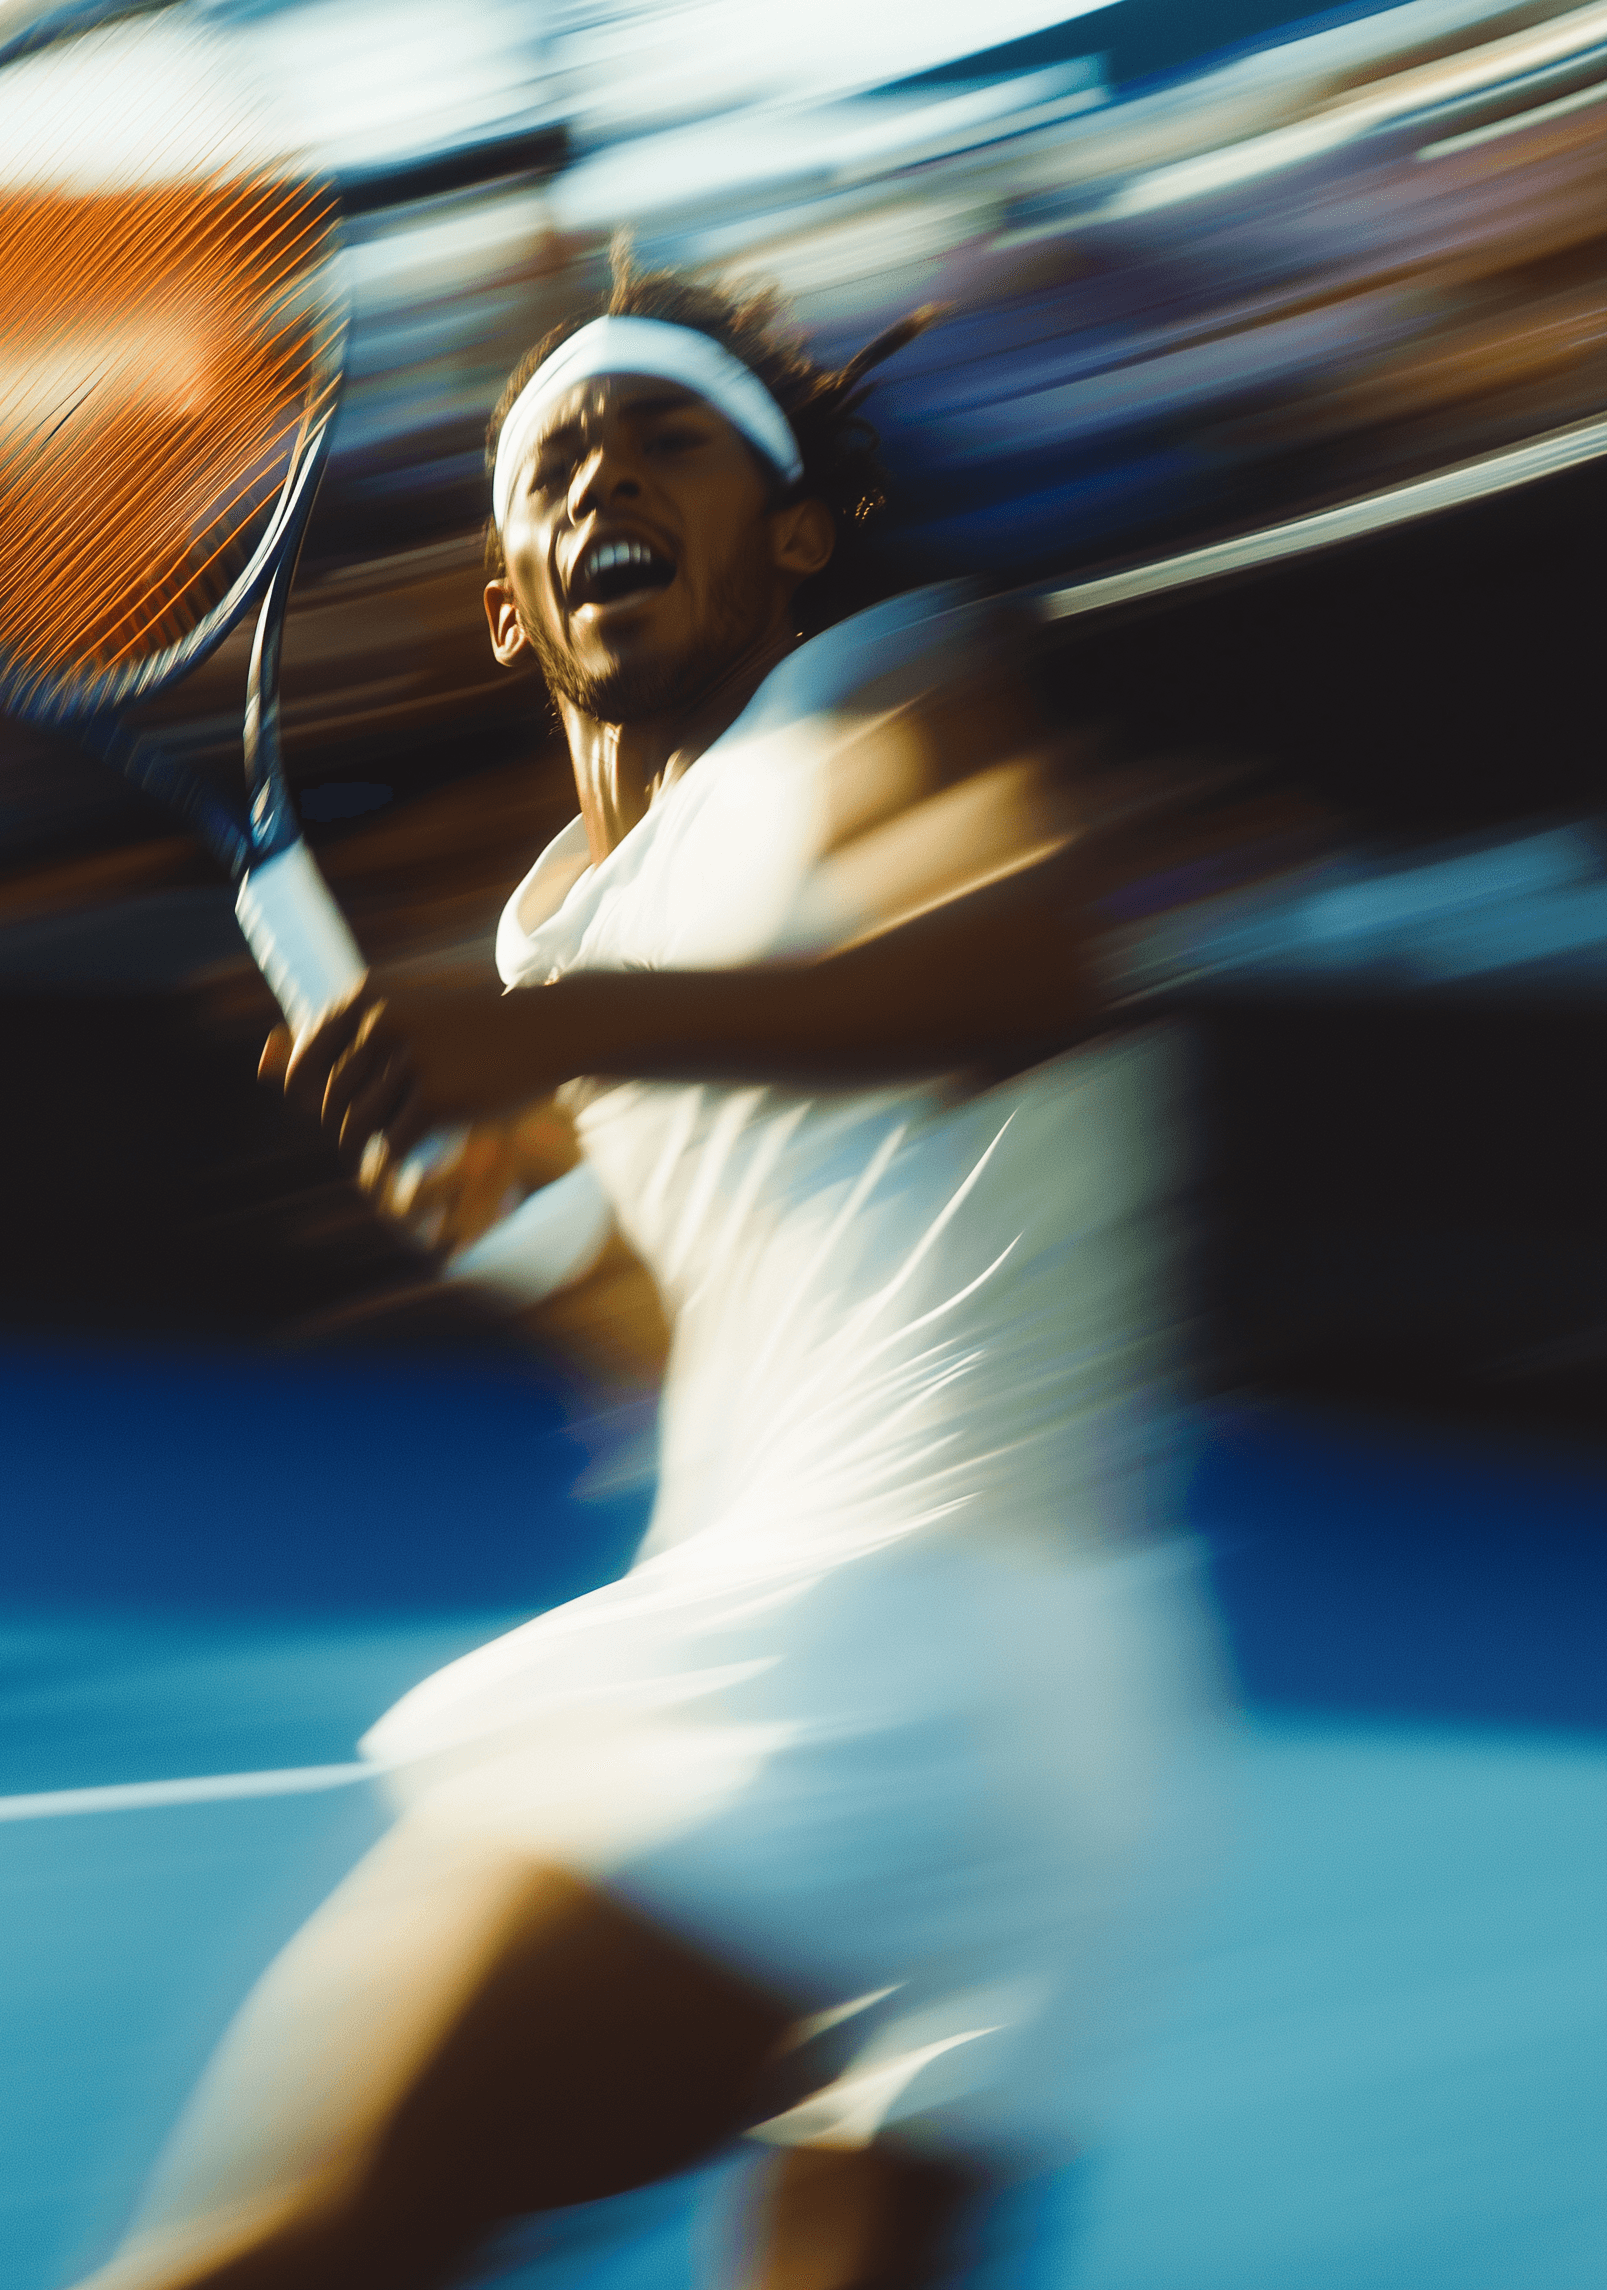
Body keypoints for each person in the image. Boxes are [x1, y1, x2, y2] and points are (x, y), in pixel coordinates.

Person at [78, 250, 1225, 2290]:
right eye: (553, 459)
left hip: (876, 1672)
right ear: (509, 603)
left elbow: (1049, 966)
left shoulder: (875, 698)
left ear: (792, 537)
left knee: (272, 2255)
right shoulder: (563, 931)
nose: (604, 463)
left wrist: (562, 1046)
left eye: (667, 434)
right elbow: (714, 1358)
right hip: (1063, 1743)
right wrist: (527, 1235)